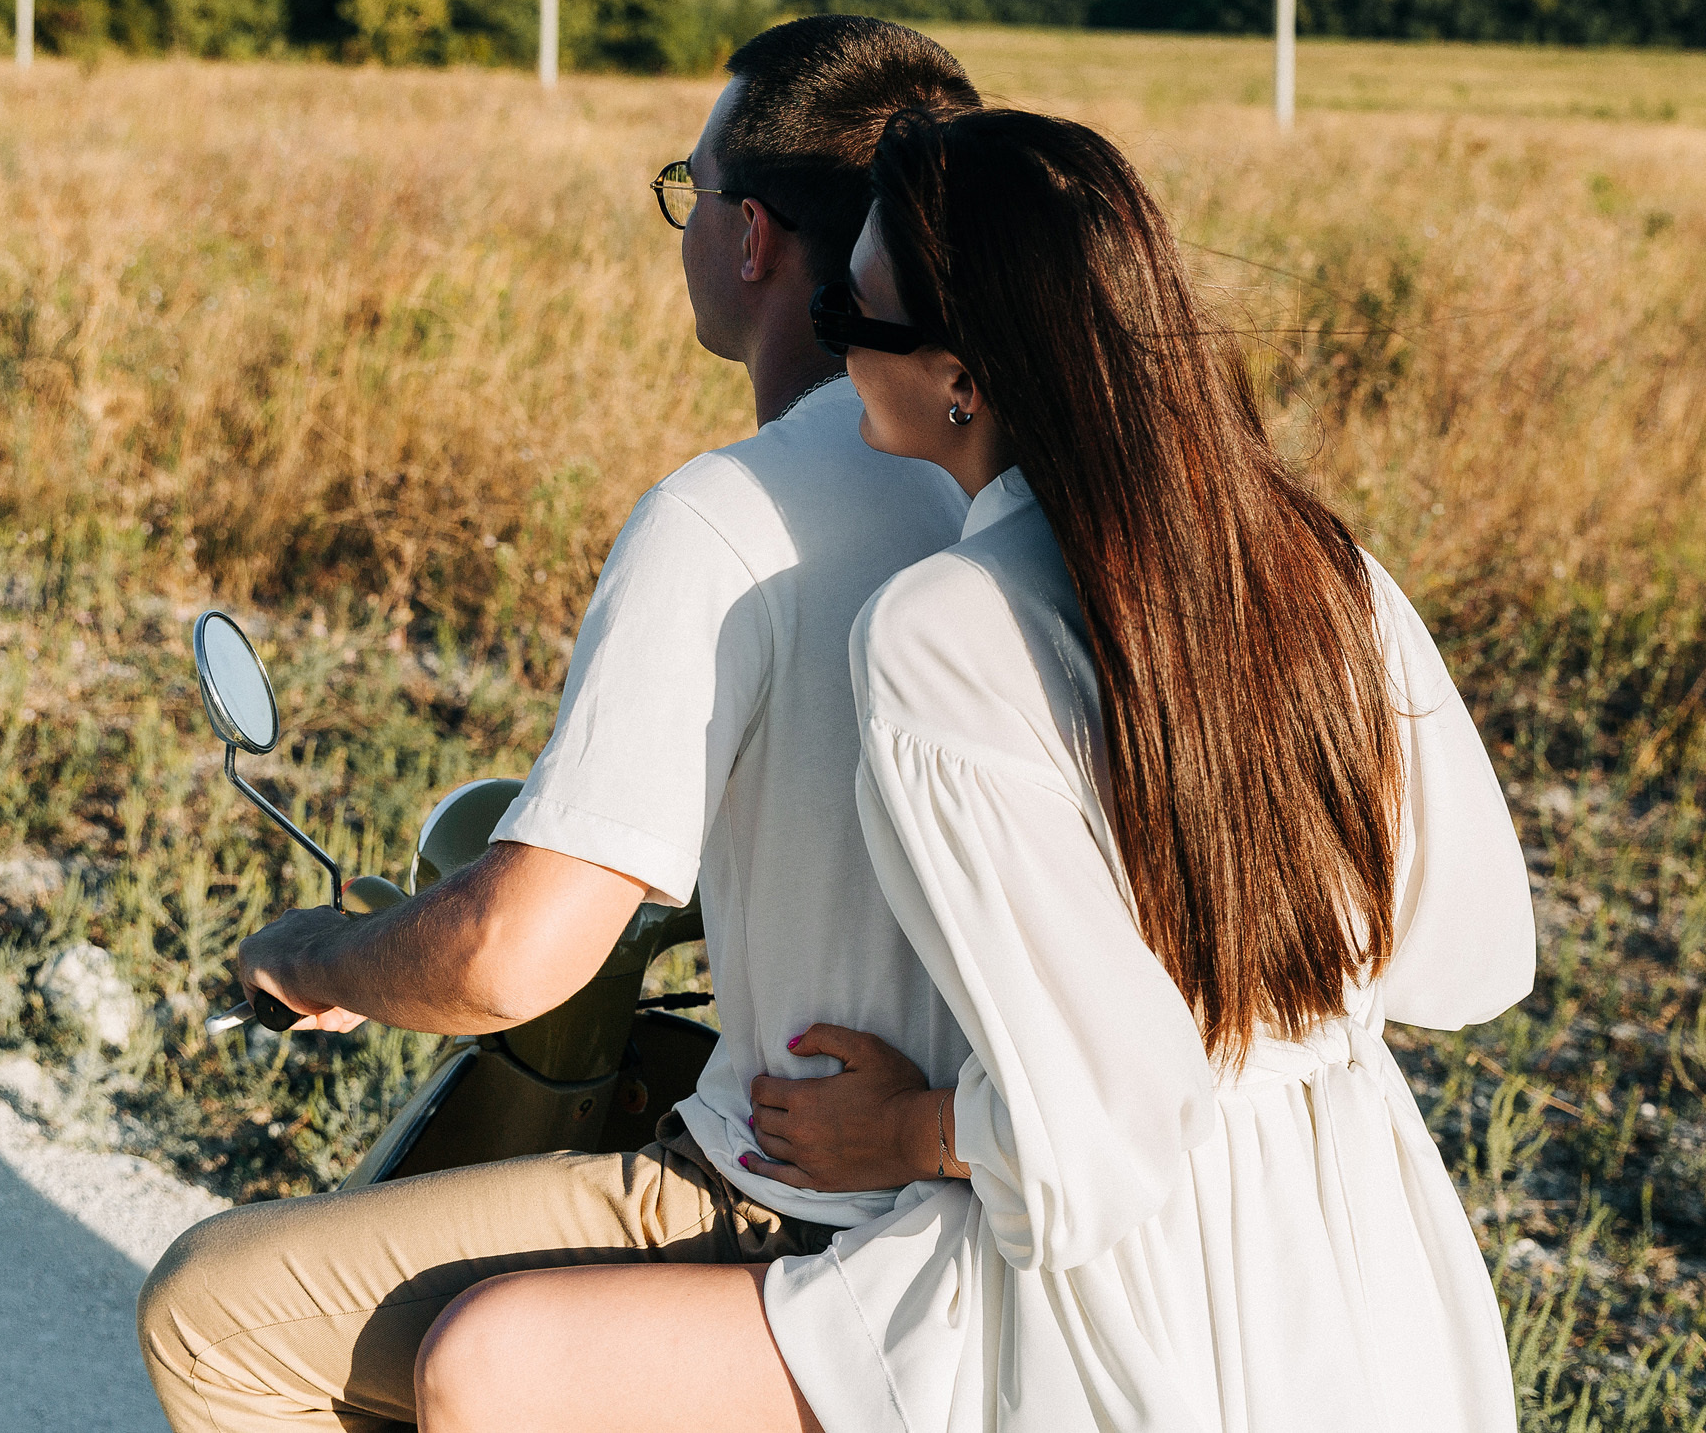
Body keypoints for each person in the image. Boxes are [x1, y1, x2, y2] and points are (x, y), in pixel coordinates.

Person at [596, 106, 1524, 1430]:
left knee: (483, 1359)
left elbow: (1104, 1132)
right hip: (1376, 1254)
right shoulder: (1312, 561)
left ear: (963, 374)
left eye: (854, 316)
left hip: (1154, 1293)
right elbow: (1473, 956)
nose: (831, 347)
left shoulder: (942, 628)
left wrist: (908, 1130)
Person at [137, 18, 983, 1433]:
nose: (685, 220)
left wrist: (320, 956)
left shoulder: (728, 517)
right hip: (990, 1196)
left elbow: (509, 955)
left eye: (689, 188)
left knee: (210, 1314)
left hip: (793, 1204)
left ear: (752, 237)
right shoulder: (1007, 486)